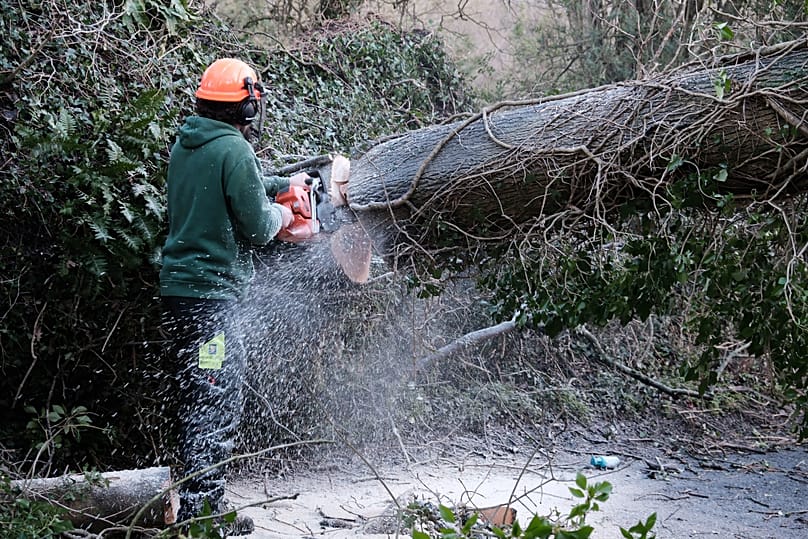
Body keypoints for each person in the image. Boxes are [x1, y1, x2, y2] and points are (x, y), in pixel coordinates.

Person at [158, 58, 309, 535]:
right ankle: (201, 518)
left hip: (181, 294)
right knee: (214, 397)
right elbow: (260, 226)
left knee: (197, 395)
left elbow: (230, 186)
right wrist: (286, 216)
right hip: (212, 304)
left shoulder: (188, 144)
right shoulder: (235, 150)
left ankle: (201, 505)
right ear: (247, 104)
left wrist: (286, 185)